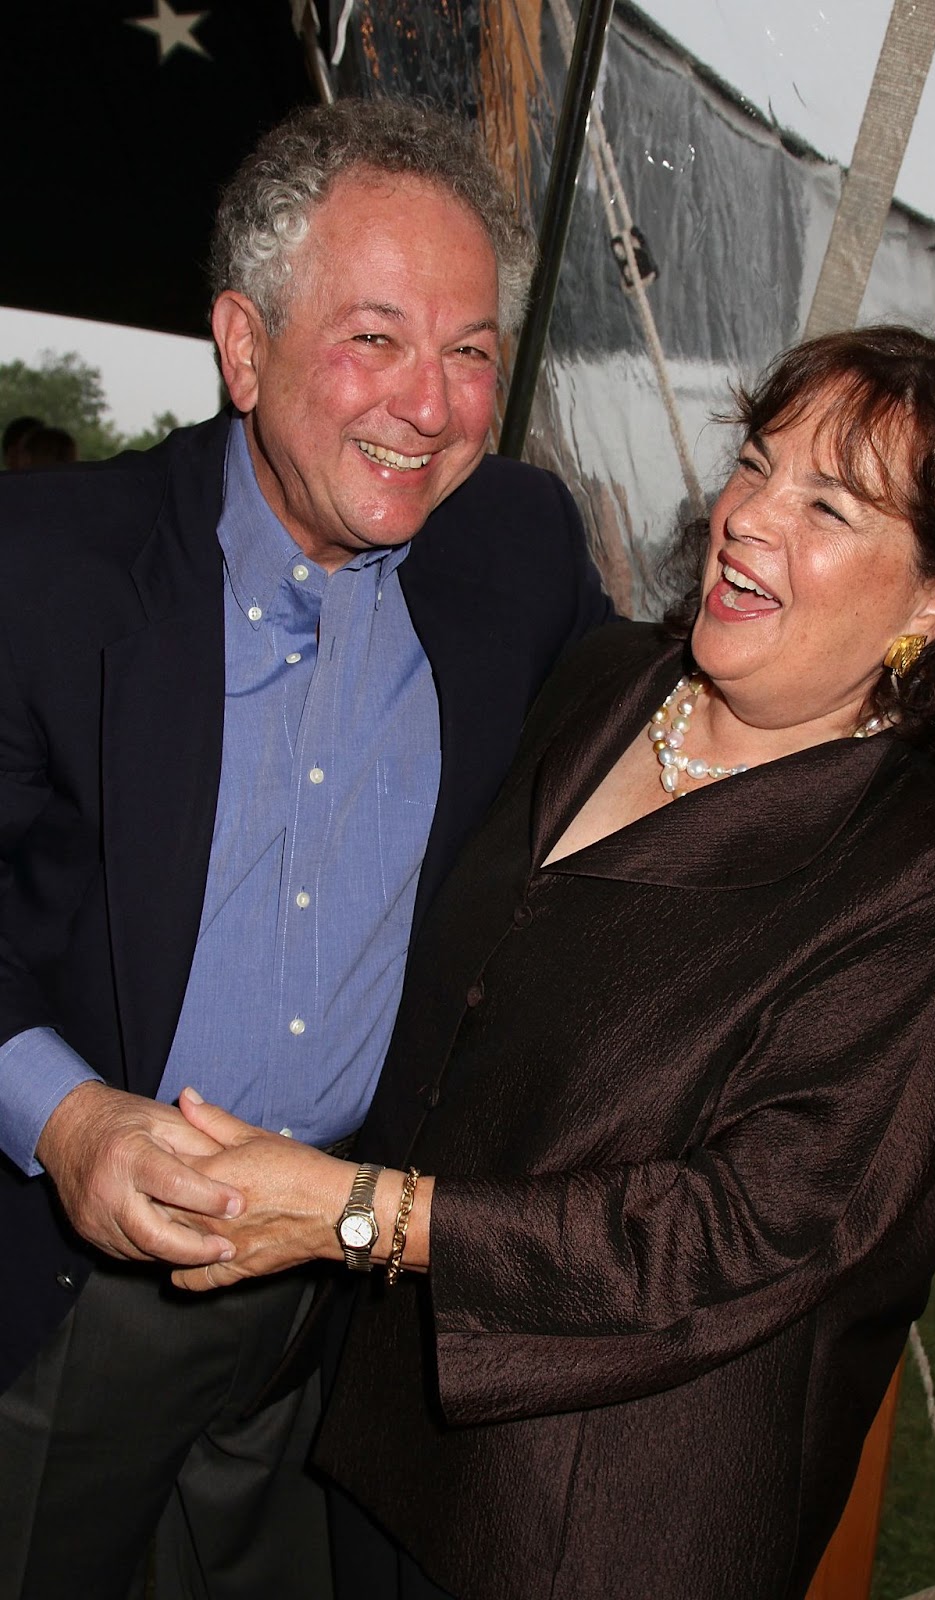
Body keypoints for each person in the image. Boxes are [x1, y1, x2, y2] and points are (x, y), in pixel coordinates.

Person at [171, 326, 935, 1600]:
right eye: (757, 465)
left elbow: (740, 1229)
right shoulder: (605, 682)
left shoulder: (933, 886)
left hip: (591, 1518)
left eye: (828, 505)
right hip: (381, 1425)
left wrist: (351, 1210)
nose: (750, 517)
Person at [0, 98, 609, 1600]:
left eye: (472, 352)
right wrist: (66, 1121)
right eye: (376, 338)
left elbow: (653, 770)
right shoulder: (46, 572)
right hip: (65, 1301)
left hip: (337, 1313)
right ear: (244, 342)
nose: (433, 403)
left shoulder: (518, 553)